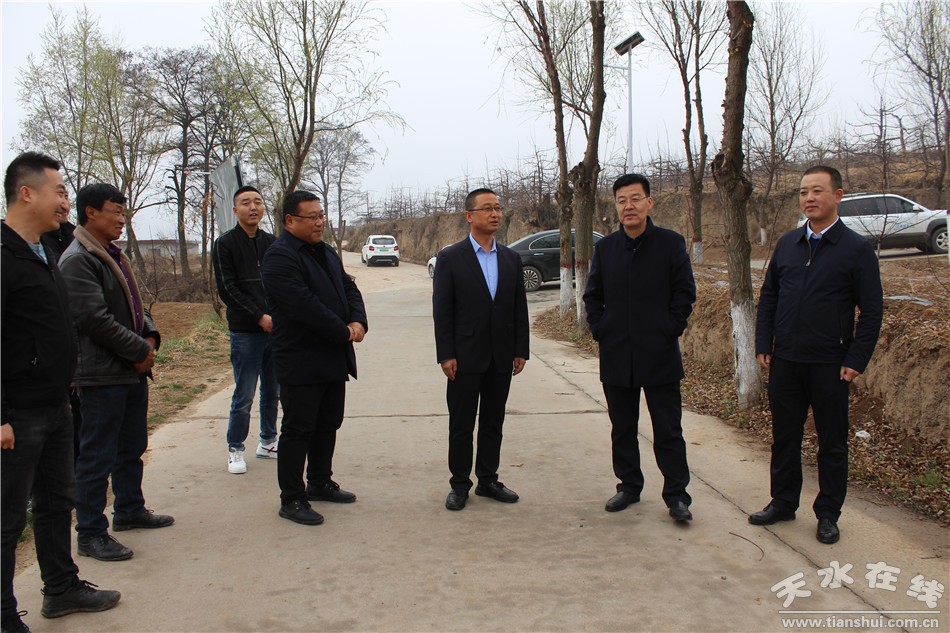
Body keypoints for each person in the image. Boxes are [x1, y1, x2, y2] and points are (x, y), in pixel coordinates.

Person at [2, 152, 120, 633]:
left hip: (54, 403)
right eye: (59, 191)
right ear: (26, 193)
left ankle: (61, 588)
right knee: (8, 517)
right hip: (16, 413)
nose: (66, 202)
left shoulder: (44, 249)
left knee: (56, 502)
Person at [750, 165, 883, 544]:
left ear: (837, 195)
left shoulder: (855, 250)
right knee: (784, 437)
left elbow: (872, 311)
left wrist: (856, 359)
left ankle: (828, 513)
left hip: (830, 363)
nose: (809, 198)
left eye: (817, 191)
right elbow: (769, 297)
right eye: (804, 192)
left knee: (832, 442)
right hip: (786, 361)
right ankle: (783, 501)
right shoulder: (788, 244)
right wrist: (764, 343)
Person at [59, 183, 174, 562]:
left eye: (124, 213)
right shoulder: (78, 259)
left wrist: (150, 336)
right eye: (116, 211)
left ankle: (129, 508)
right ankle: (91, 532)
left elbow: (135, 305)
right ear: (91, 212)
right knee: (97, 455)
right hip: (101, 375)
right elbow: (94, 319)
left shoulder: (112, 254)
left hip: (128, 371)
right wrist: (139, 351)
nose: (122, 219)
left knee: (131, 446)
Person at [583, 173, 696, 523]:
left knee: (668, 430)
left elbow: (684, 292)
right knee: (622, 427)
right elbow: (593, 296)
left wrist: (669, 327)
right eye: (621, 201)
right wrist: (601, 328)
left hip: (659, 354)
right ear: (615, 206)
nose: (628, 206)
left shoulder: (670, 243)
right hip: (617, 354)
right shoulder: (606, 248)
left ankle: (677, 496)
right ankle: (629, 486)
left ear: (649, 202)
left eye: (635, 199)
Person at [261, 191, 367, 526]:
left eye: (322, 215)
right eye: (312, 217)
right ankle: (291, 498)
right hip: (301, 358)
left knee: (328, 422)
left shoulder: (326, 251)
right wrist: (342, 331)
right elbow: (303, 305)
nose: (320, 222)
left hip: (332, 356)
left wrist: (358, 320)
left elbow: (349, 288)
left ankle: (320, 481)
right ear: (290, 220)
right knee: (298, 428)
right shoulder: (280, 257)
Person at [432, 187, 529, 511]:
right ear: (469, 216)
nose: (495, 214)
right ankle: (460, 484)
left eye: (498, 208)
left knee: (493, 422)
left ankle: (488, 480)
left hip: (501, 356)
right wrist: (446, 353)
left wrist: (521, 349)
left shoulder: (511, 259)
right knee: (461, 425)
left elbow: (518, 309)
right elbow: (442, 311)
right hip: (464, 357)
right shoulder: (451, 258)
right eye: (487, 208)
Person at [212, 186, 280, 474]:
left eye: (258, 202)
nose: (253, 207)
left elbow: (280, 282)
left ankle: (268, 441)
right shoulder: (225, 244)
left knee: (273, 390)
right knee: (244, 393)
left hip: (275, 329)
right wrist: (258, 316)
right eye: (245, 203)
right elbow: (228, 289)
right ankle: (235, 448)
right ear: (235, 210)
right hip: (245, 332)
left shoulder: (272, 242)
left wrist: (277, 316)